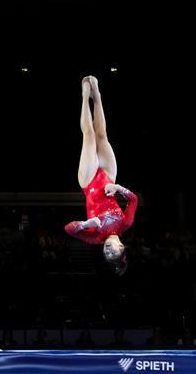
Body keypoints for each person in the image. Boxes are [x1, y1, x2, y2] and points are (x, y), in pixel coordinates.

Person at [64, 76, 139, 275]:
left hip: (88, 182)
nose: (107, 252)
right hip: (109, 178)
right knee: (102, 134)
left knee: (88, 136)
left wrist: (86, 224)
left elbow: (69, 229)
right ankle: (97, 96)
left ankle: (84, 96)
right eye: (113, 253)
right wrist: (118, 189)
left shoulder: (94, 237)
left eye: (106, 255)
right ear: (121, 248)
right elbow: (133, 200)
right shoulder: (125, 224)